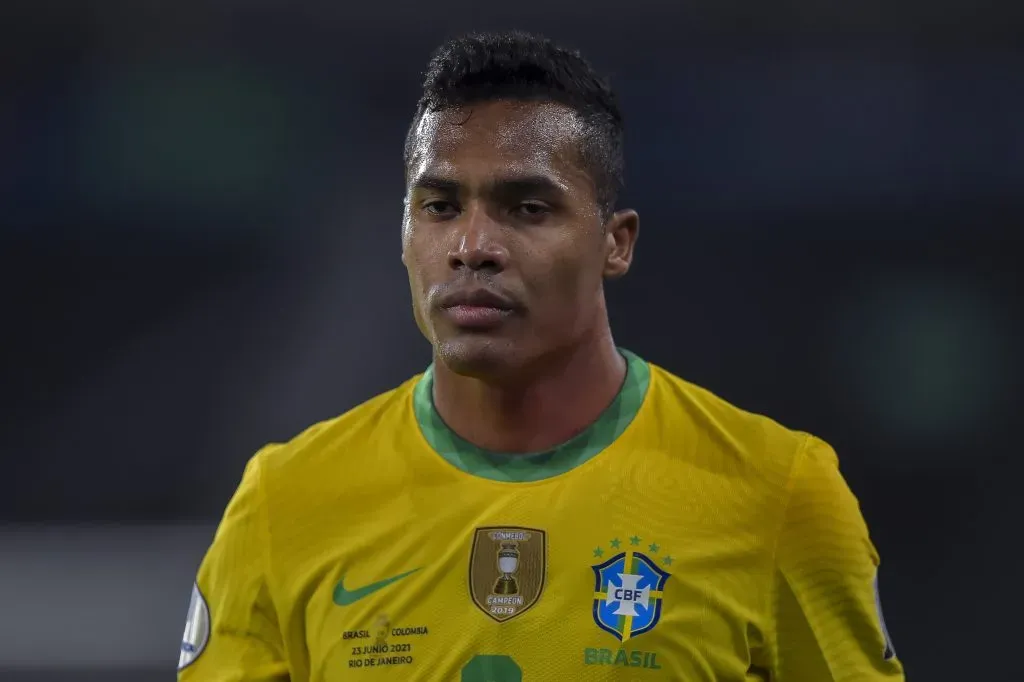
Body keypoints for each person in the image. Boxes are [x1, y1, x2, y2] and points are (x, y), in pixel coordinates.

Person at [177, 31, 905, 681]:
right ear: (402, 235)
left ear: (615, 242)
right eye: (439, 207)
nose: (471, 248)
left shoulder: (778, 493)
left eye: (527, 208)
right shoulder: (286, 502)